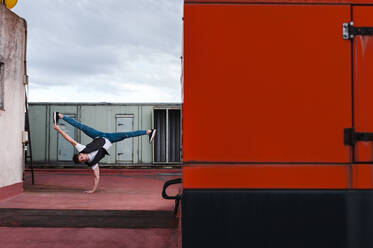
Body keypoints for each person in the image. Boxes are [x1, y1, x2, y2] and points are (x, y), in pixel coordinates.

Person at [52, 112, 156, 194]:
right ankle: (148, 132)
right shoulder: (93, 163)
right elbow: (97, 177)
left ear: (80, 154)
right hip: (110, 139)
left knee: (81, 126)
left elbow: (69, 139)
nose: (84, 158)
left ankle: (59, 115)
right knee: (126, 135)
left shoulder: (82, 149)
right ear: (82, 162)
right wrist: (92, 190)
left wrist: (58, 129)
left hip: (98, 135)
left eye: (82, 156)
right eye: (82, 160)